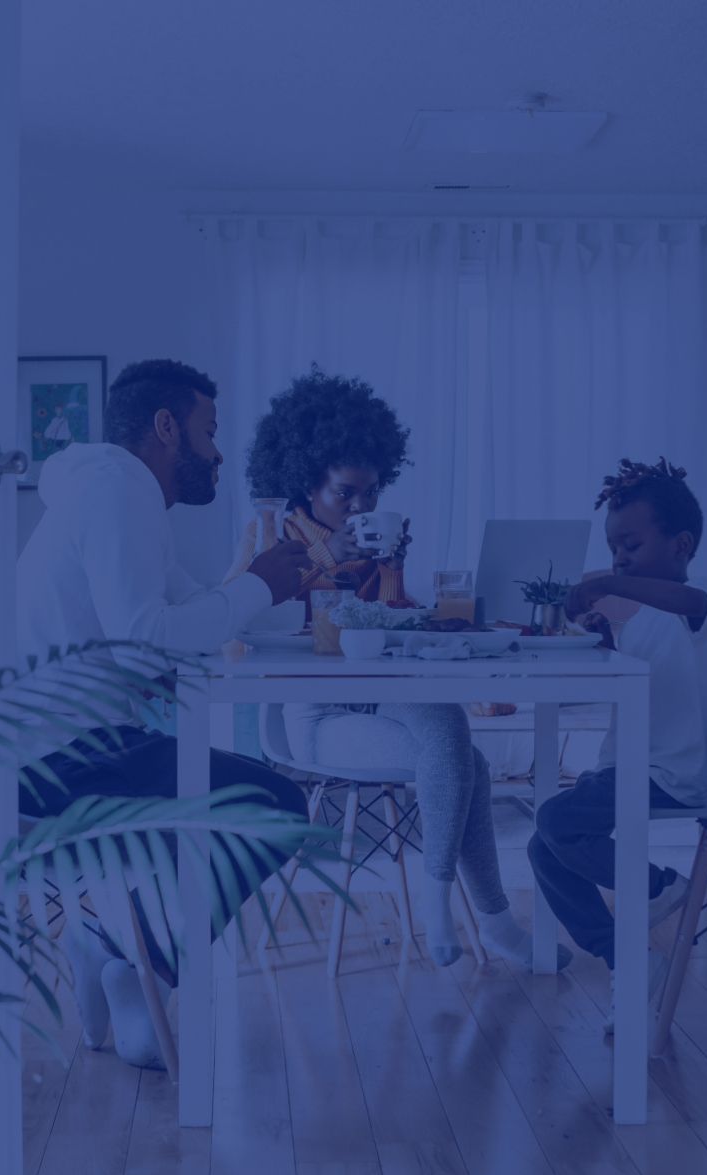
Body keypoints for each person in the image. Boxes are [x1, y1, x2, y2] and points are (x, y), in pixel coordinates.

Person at [16, 358, 312, 1068]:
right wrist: (260, 586)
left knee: (242, 798)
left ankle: (120, 950)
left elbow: (186, 615)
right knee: (275, 805)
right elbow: (151, 637)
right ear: (166, 427)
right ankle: (128, 957)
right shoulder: (120, 492)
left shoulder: (111, 491)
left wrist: (268, 591)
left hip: (55, 745)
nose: (216, 454)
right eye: (209, 432)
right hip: (47, 763)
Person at [228, 367, 565, 971]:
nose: (361, 506)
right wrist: (330, 556)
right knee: (465, 760)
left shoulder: (373, 539)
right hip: (316, 713)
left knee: (449, 730)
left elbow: (384, 629)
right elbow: (247, 618)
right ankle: (483, 920)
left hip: (382, 693)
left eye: (371, 493)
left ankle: (450, 909)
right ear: (306, 482)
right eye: (345, 493)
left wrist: (396, 579)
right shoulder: (271, 535)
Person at [527, 457, 707, 1032]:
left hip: (669, 771)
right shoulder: (641, 619)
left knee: (557, 822)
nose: (618, 558)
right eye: (614, 548)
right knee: (544, 847)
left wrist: (610, 584)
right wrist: (601, 635)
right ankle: (629, 959)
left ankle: (661, 887)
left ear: (682, 545)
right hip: (623, 765)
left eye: (631, 545)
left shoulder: (700, 600)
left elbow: (685, 606)